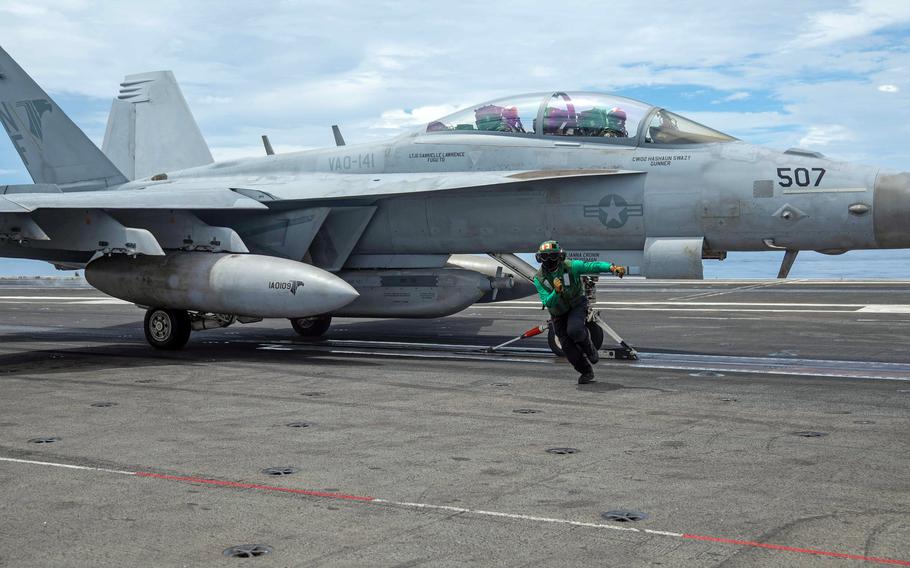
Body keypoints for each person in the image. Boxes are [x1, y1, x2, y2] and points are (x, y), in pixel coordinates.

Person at [533, 240, 626, 384]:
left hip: (576, 305)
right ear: (540, 258)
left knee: (575, 330)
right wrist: (556, 292)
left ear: (560, 256)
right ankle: (586, 371)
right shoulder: (539, 279)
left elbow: (592, 266)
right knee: (568, 350)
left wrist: (612, 268)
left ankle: (590, 349)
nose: (549, 260)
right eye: (545, 257)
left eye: (553, 256)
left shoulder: (571, 267)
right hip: (558, 314)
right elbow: (547, 302)